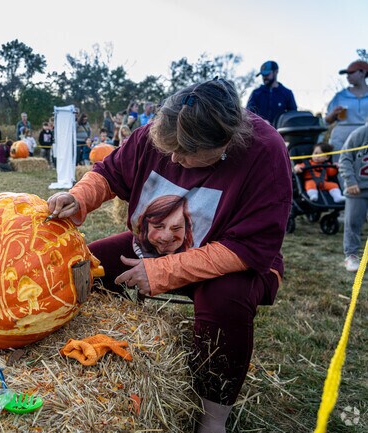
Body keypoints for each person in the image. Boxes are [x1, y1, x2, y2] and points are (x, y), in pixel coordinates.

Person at [47, 78, 291, 432]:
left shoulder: (265, 152)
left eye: (186, 154)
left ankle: (213, 417)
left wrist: (163, 271)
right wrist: (80, 196)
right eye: (169, 149)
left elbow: (248, 247)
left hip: (228, 262)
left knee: (226, 301)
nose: (174, 158)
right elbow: (109, 172)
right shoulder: (160, 131)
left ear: (223, 145)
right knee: (85, 266)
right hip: (148, 245)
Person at [338, 121, 368, 272]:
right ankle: (351, 256)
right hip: (357, 189)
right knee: (353, 223)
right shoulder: (360, 133)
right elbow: (345, 158)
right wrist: (350, 181)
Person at [324, 60, 368, 157]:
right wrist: (333, 114)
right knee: (341, 168)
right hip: (341, 139)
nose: (348, 76)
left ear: (363, 73)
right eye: (346, 74)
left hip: (365, 137)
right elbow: (326, 121)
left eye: (351, 73)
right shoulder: (340, 96)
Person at [246, 60, 297, 127]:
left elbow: (293, 116)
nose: (264, 77)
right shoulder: (256, 93)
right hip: (260, 133)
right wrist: (260, 122)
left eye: (267, 74)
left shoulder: (287, 93)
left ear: (276, 72)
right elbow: (248, 114)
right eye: (263, 75)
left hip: (281, 134)